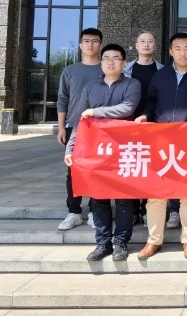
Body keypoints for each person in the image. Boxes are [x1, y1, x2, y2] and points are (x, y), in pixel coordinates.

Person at [135, 33, 187, 260]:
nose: (183, 53)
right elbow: (151, 102)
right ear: (171, 52)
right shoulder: (160, 75)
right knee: (156, 193)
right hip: (161, 141)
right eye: (178, 48)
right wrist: (145, 115)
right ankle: (153, 241)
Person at [65, 44, 141, 261]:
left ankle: (121, 242)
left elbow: (127, 108)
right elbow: (80, 119)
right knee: (99, 197)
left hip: (123, 150)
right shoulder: (90, 88)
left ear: (124, 63)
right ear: (101, 63)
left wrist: (95, 111)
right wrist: (71, 148)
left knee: (124, 199)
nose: (111, 62)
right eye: (106, 58)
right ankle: (102, 243)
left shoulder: (132, 84)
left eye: (116, 58)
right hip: (96, 151)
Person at [56, 28, 103, 231]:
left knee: (97, 171)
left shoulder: (106, 68)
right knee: (73, 171)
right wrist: (61, 127)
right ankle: (74, 212)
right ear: (80, 45)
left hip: (100, 128)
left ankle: (94, 211)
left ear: (100, 45)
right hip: (74, 127)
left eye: (95, 41)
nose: (90, 44)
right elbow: (63, 99)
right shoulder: (70, 70)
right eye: (86, 41)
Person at [123, 29, 164, 227]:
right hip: (130, 125)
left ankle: (148, 211)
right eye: (143, 41)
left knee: (152, 168)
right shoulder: (125, 70)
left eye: (150, 41)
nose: (146, 44)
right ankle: (132, 210)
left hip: (155, 126)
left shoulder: (163, 70)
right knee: (132, 167)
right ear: (136, 46)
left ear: (155, 46)